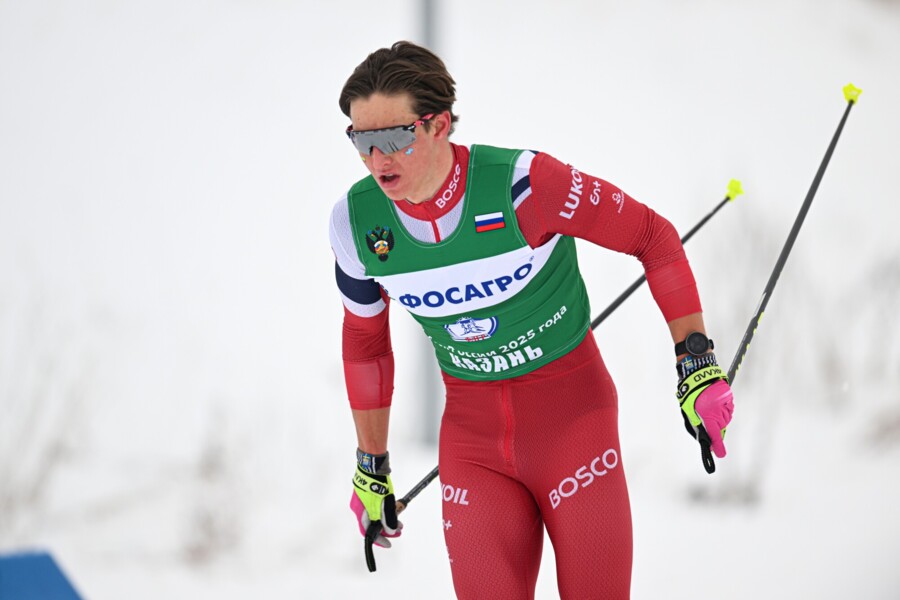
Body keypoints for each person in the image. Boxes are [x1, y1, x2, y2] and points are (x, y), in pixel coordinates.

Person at [329, 41, 734, 599]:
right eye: (362, 141)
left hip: (572, 421)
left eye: (396, 137)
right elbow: (366, 341)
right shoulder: (356, 225)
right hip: (473, 443)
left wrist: (696, 362)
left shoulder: (524, 185)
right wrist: (370, 462)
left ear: (439, 124)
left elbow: (653, 238)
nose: (379, 159)